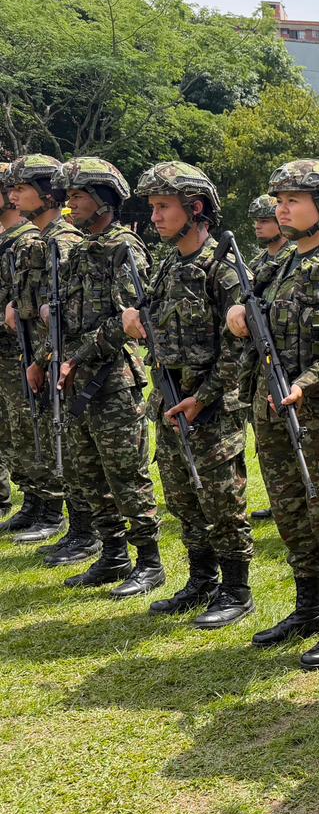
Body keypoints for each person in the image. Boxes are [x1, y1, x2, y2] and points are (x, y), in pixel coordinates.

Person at [227, 160, 319, 670]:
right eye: (279, 200)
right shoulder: (275, 265)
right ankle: (308, 609)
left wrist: (306, 384)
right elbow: (251, 328)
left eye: (293, 200)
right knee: (291, 515)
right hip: (272, 414)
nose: (280, 208)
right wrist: (237, 319)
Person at [116, 161, 255, 628]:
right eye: (151, 208)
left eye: (163, 207)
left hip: (212, 408)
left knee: (222, 499)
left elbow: (242, 349)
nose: (154, 217)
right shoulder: (167, 267)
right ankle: (201, 581)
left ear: (194, 209)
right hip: (170, 402)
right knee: (182, 495)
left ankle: (237, 589)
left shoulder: (224, 269)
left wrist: (205, 396)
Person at [34, 157, 162, 597]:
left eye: (77, 196)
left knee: (126, 476)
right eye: (67, 196)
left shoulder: (124, 248)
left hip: (113, 383)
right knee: (89, 476)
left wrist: (77, 357)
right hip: (74, 381)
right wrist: (53, 353)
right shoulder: (77, 250)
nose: (69, 205)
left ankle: (149, 561)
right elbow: (69, 320)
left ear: (104, 200)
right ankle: (112, 554)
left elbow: (128, 321)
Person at [7, 155, 96, 564]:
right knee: (47, 437)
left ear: (45, 194)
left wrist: (43, 358)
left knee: (68, 445)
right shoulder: (46, 238)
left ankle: (81, 528)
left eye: (21, 188)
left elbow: (65, 316)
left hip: (61, 360)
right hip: (39, 354)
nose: (12, 195)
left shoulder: (62, 241)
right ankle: (59, 518)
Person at [245, 193, 284, 524]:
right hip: (257, 367)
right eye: (256, 220)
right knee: (266, 441)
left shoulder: (291, 261)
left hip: (287, 366)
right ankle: (279, 500)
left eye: (265, 219)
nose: (258, 225)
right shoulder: (256, 265)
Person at [0, 163, 33, 535]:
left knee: (25, 426)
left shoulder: (25, 241)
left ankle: (46, 504)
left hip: (18, 350)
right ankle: (34, 501)